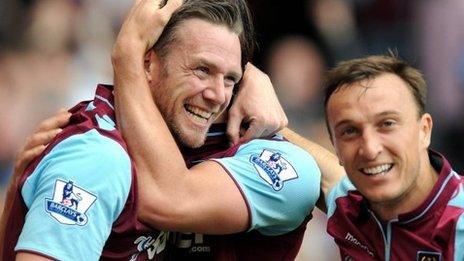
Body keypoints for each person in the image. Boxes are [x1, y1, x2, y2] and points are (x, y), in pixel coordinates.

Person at [1, 0, 324, 260]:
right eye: (201, 69)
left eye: (231, 78)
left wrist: (127, 52)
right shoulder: (95, 157)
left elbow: (173, 199)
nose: (218, 94)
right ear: (148, 64)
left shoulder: (282, 166)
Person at [323, 53, 464, 260]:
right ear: (335, 146)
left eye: (387, 124)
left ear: (424, 131)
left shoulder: (458, 224)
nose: (370, 149)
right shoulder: (347, 202)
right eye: (350, 131)